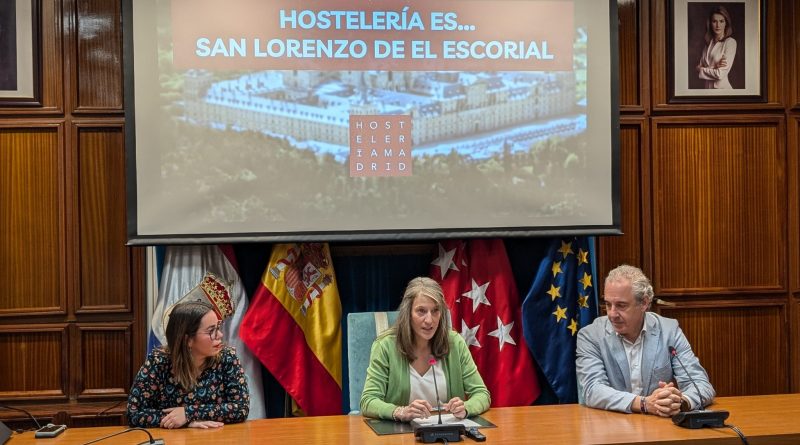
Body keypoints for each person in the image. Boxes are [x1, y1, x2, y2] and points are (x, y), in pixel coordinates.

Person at [576, 265, 715, 416]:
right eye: (608, 304)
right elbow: (592, 390)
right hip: (609, 423)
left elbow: (701, 385)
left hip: (657, 424)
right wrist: (643, 404)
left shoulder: (669, 331)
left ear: (644, 303)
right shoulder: (591, 336)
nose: (612, 314)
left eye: (621, 306)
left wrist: (679, 403)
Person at [360, 277, 490, 421]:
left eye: (435, 311)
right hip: (402, 431)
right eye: (421, 311)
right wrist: (400, 411)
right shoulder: (385, 346)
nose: (429, 320)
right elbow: (368, 401)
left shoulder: (455, 343)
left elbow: (481, 394)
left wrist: (465, 408)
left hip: (447, 430)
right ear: (408, 313)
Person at [127, 298, 250, 428]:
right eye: (211, 331)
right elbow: (134, 413)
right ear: (188, 340)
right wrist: (184, 422)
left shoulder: (227, 358)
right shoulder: (158, 362)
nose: (219, 335)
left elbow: (241, 408)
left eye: (218, 328)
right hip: (173, 438)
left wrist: (188, 414)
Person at [696, 6, 737, 89]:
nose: (718, 25)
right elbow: (698, 68)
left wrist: (701, 69)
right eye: (714, 21)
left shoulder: (730, 42)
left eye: (721, 21)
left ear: (726, 23)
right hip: (707, 91)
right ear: (710, 24)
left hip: (723, 91)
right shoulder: (708, 43)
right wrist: (715, 67)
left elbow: (719, 74)